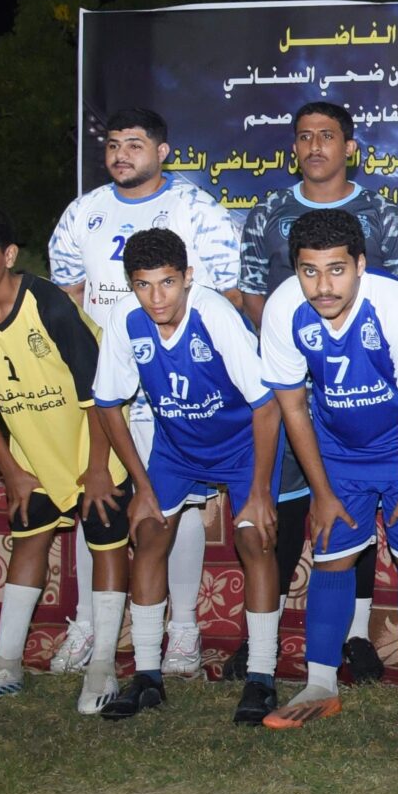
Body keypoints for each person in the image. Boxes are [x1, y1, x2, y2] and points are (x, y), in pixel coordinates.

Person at [44, 108, 241, 680]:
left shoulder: (197, 210)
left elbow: (225, 297)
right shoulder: (83, 211)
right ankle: (89, 625)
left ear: (163, 151)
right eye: (112, 145)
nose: (121, 155)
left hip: (172, 389)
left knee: (177, 507)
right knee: (99, 499)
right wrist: (90, 368)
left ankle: (184, 632)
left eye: (134, 144)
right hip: (105, 387)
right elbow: (67, 296)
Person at [237, 100, 398, 683]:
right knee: (301, 508)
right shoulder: (269, 212)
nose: (314, 146)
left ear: (350, 147)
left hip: (373, 394)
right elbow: (251, 291)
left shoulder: (382, 214)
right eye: (304, 136)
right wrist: (305, 347)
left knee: (363, 516)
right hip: (294, 381)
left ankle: (356, 638)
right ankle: (264, 641)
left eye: (327, 135)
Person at [257, 209, 398, 734]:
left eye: (337, 270)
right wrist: (321, 492)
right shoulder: (283, 309)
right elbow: (292, 407)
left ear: (360, 264)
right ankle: (321, 685)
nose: (323, 286)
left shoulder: (395, 305)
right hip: (341, 448)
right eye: (310, 271)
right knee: (332, 553)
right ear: (295, 269)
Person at [0, 209, 136, 713]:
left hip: (95, 442)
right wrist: (12, 470)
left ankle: (102, 667)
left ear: (8, 256)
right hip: (33, 450)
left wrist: (97, 469)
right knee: (28, 540)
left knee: (105, 542)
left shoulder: (49, 305)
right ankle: (5, 665)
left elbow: (100, 395)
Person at [90, 229, 285, 723]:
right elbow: (108, 404)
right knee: (149, 533)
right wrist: (142, 487)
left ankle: (261, 679)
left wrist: (259, 492)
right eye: (143, 284)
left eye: (168, 282)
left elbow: (266, 407)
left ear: (188, 277)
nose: (157, 297)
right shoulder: (125, 319)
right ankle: (147, 677)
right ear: (130, 285)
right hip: (177, 447)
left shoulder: (214, 314)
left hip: (242, 444)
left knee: (255, 539)